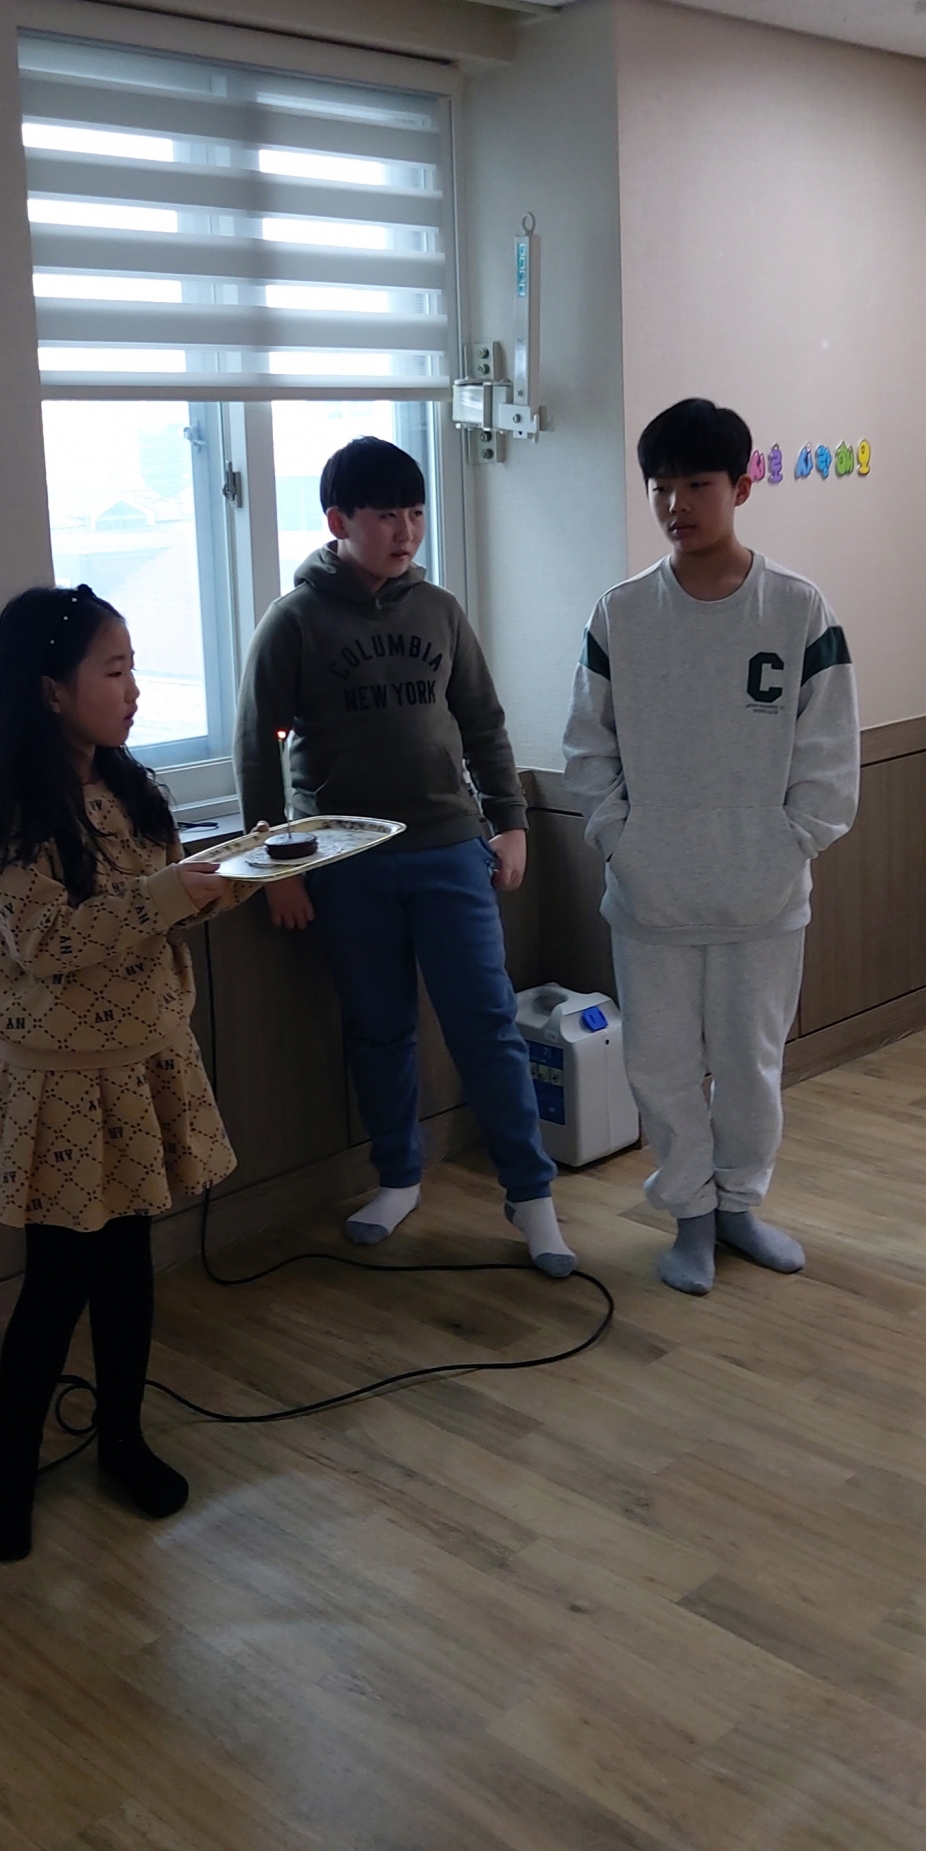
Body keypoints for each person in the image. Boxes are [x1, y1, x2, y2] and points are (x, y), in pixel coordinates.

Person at [233, 434, 574, 1278]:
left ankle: (532, 1197)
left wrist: (511, 821)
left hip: (449, 848)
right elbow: (254, 749)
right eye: (387, 515)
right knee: (378, 1028)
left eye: (415, 513)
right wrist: (277, 868)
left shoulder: (440, 611)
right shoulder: (294, 620)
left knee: (485, 1025)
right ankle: (397, 1178)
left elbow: (484, 722)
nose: (406, 530)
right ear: (338, 520)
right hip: (346, 859)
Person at [0, 583, 248, 1561]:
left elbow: (155, 911)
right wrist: (169, 894)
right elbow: (45, 941)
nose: (133, 690)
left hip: (141, 1060)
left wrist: (238, 877)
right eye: (113, 671)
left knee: (128, 1263)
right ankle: (9, 1477)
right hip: (63, 1081)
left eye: (132, 669)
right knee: (56, 1283)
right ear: (50, 690)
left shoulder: (128, 786)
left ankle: (121, 1438)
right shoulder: (7, 811)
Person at [563, 398, 859, 1296]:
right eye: (661, 487)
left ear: (741, 485)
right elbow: (588, 748)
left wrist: (787, 843)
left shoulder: (797, 608)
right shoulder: (621, 613)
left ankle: (739, 1207)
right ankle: (689, 1216)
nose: (676, 504)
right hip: (650, 895)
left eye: (696, 484)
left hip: (763, 898)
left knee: (750, 1068)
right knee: (658, 1067)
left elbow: (829, 753)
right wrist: (623, 841)